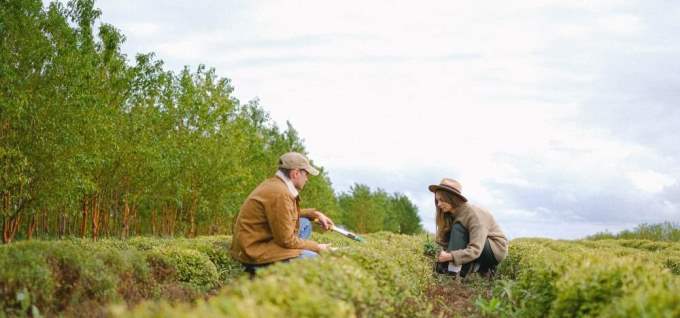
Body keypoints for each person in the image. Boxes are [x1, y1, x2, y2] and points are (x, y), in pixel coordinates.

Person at [230, 152, 335, 276]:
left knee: (305, 224)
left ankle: (292, 254)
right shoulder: (280, 194)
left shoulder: (276, 185)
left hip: (260, 241)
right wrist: (317, 247)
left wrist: (314, 214)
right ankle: (261, 269)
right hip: (253, 252)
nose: (307, 179)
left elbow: (284, 214)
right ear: (295, 173)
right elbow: (286, 240)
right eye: (306, 174)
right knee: (315, 259)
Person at [429, 178, 508, 278]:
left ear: (451, 198)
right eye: (437, 200)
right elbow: (446, 242)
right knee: (455, 229)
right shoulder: (451, 214)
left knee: (458, 227)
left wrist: (449, 257)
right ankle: (472, 267)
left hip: (494, 250)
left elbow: (475, 249)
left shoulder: (473, 215)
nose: (439, 204)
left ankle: (454, 272)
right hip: (478, 247)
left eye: (441, 200)